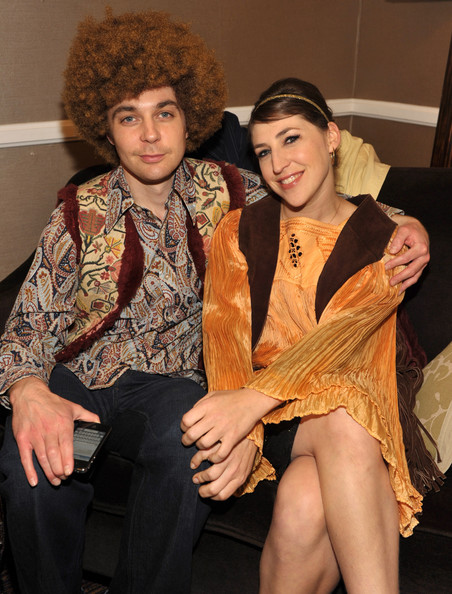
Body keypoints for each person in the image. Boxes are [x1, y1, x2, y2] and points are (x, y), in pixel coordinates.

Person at [0, 9, 429, 593]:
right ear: (108, 130)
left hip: (171, 386)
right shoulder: (78, 211)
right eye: (129, 117)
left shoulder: (229, 190)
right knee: (30, 468)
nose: (150, 135)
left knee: (192, 443)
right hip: (80, 383)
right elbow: (25, 330)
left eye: (164, 113)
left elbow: (317, 201)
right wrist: (30, 393)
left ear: (190, 119)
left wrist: (405, 222)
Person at [181, 78, 434, 593]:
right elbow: (225, 338)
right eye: (263, 151)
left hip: (356, 402)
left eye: (292, 138)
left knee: (304, 499)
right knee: (341, 424)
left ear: (332, 137)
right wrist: (246, 431)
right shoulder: (238, 230)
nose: (279, 164)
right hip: (279, 419)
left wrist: (248, 403)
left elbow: (340, 339)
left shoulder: (385, 240)